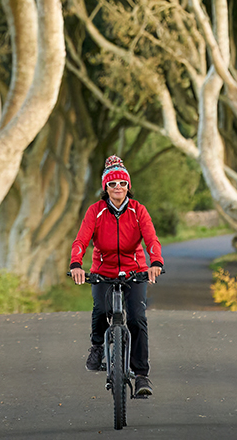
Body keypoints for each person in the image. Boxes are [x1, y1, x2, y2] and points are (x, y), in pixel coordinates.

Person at [69, 155, 164, 397]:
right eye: (112, 184)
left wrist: (155, 262)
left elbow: (151, 239)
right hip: (103, 271)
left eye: (122, 183)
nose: (117, 187)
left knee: (137, 319)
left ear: (128, 185)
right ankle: (97, 346)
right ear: (106, 187)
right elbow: (81, 240)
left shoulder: (138, 210)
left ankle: (142, 375)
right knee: (101, 309)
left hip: (135, 271)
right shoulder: (96, 211)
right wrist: (76, 264)